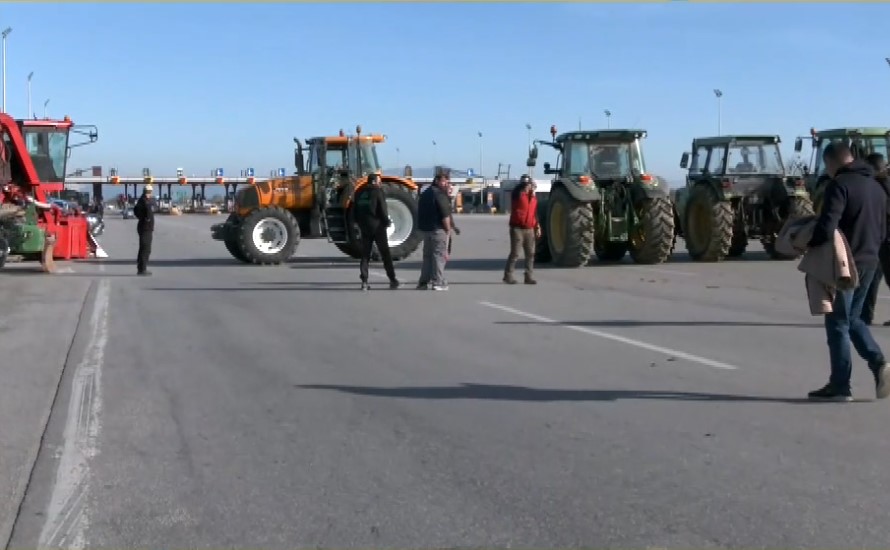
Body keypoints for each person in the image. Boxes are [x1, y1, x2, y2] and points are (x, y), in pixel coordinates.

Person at [806, 142, 888, 401]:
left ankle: (840, 385)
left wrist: (809, 243)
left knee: (837, 322)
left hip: (845, 264)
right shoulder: (876, 187)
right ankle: (879, 364)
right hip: (871, 261)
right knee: (853, 319)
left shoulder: (839, 185)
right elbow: (883, 229)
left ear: (831, 162)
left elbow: (828, 225)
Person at [354, 173, 399, 291]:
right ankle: (392, 279)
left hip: (364, 227)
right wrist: (387, 222)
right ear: (374, 182)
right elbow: (382, 210)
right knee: (385, 254)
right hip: (378, 227)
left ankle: (364, 281)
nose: (380, 183)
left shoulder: (359, 193)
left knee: (365, 255)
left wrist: (358, 223)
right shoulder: (378, 192)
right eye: (379, 181)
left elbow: (355, 211)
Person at [862, 153, 890, 325]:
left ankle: (866, 315)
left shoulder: (877, 186)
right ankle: (865, 315)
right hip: (883, 238)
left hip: (882, 239)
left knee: (873, 278)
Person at [416, 170, 452, 290]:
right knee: (439, 256)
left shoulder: (426, 193)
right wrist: (448, 229)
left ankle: (423, 282)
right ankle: (438, 282)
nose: (446, 183)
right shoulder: (439, 194)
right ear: (437, 181)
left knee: (427, 257)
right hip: (438, 229)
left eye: (447, 181)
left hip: (426, 230)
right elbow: (445, 214)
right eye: (444, 181)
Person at [503, 174, 540, 284]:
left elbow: (534, 214)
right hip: (517, 228)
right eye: (526, 185)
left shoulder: (533, 198)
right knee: (515, 253)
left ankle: (528, 276)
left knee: (530, 254)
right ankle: (508, 275)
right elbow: (516, 191)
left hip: (529, 229)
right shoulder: (517, 194)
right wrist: (522, 186)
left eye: (529, 185)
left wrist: (537, 226)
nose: (528, 187)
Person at [133, 184, 155, 276]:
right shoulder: (144, 201)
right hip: (145, 227)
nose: (149, 193)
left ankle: (141, 267)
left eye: (149, 192)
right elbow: (136, 210)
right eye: (148, 192)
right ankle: (142, 269)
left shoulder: (145, 200)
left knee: (144, 248)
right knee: (145, 248)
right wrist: (145, 218)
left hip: (146, 227)